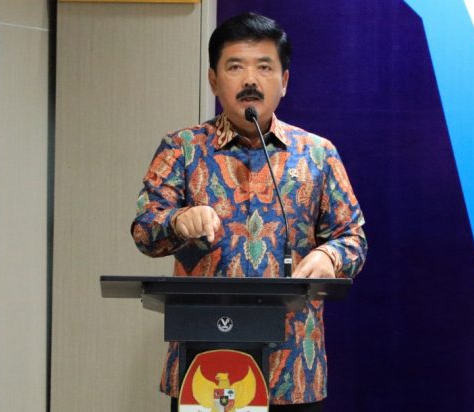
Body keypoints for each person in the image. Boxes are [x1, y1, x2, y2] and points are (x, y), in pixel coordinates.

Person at [131, 12, 367, 412]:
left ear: (284, 80)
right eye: (235, 67)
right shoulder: (182, 148)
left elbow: (353, 237)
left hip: (293, 369)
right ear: (213, 80)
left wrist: (331, 255)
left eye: (264, 67)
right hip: (204, 368)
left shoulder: (317, 154)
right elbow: (143, 229)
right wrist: (177, 221)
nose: (250, 80)